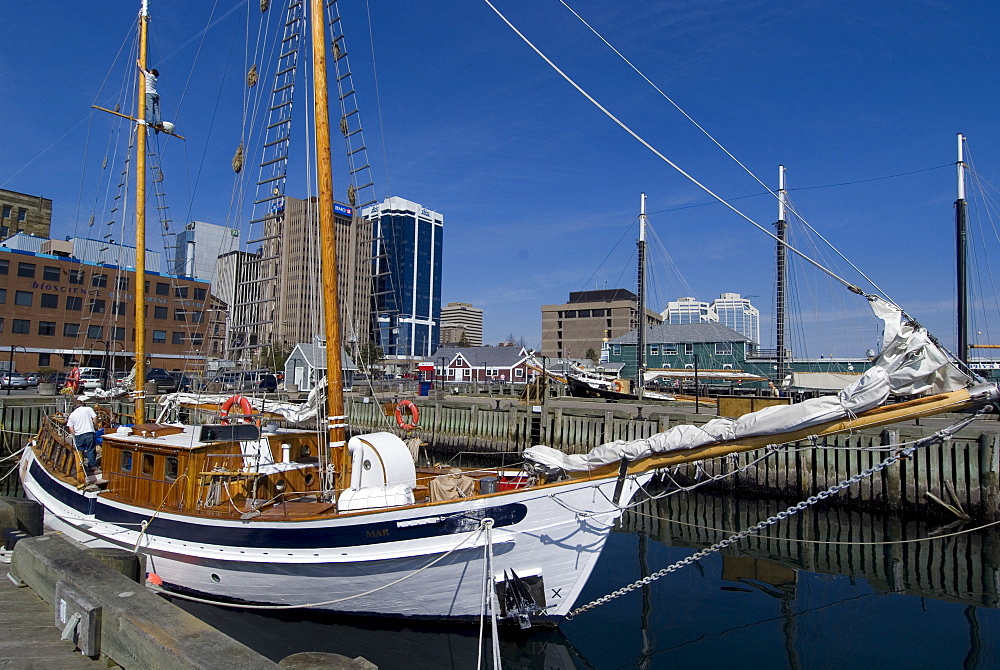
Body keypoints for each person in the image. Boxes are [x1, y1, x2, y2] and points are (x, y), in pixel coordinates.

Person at [66, 396, 99, 471]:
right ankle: (92, 466)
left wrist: (74, 434)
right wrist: (95, 425)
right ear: (83, 403)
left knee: (80, 451)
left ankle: (80, 467)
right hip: (89, 432)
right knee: (91, 450)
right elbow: (95, 417)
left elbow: (70, 426)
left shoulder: (72, 414)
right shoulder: (88, 409)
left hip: (79, 435)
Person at [137, 60, 161, 131]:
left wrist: (138, 62)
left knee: (149, 107)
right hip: (155, 94)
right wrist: (147, 70)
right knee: (156, 109)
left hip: (149, 93)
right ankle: (158, 122)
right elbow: (147, 71)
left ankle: (150, 121)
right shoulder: (154, 79)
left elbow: (141, 68)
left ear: (151, 72)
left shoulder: (148, 75)